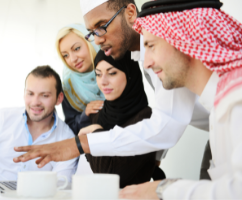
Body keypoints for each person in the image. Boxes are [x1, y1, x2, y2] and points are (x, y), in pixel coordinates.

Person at [12, 0, 211, 175]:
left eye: (101, 26)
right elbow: (168, 116)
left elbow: (167, 123)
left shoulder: (165, 51)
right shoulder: (142, 58)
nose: (97, 39)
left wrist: (82, 144)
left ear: (131, 13)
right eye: (92, 32)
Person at [119, 0, 242, 199]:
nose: (147, 63)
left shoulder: (237, 97)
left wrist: (164, 189)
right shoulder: (219, 102)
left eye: (151, 46)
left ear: (188, 39)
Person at [80, 50, 156, 188]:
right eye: (98, 74)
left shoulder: (146, 118)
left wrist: (97, 131)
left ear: (129, 74)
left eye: (112, 73)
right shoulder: (97, 114)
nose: (103, 82)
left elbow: (109, 176)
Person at [56, 24, 105, 135]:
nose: (73, 59)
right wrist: (85, 114)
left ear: (90, 43)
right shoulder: (69, 87)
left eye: (77, 48)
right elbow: (70, 129)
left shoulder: (115, 65)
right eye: (66, 55)